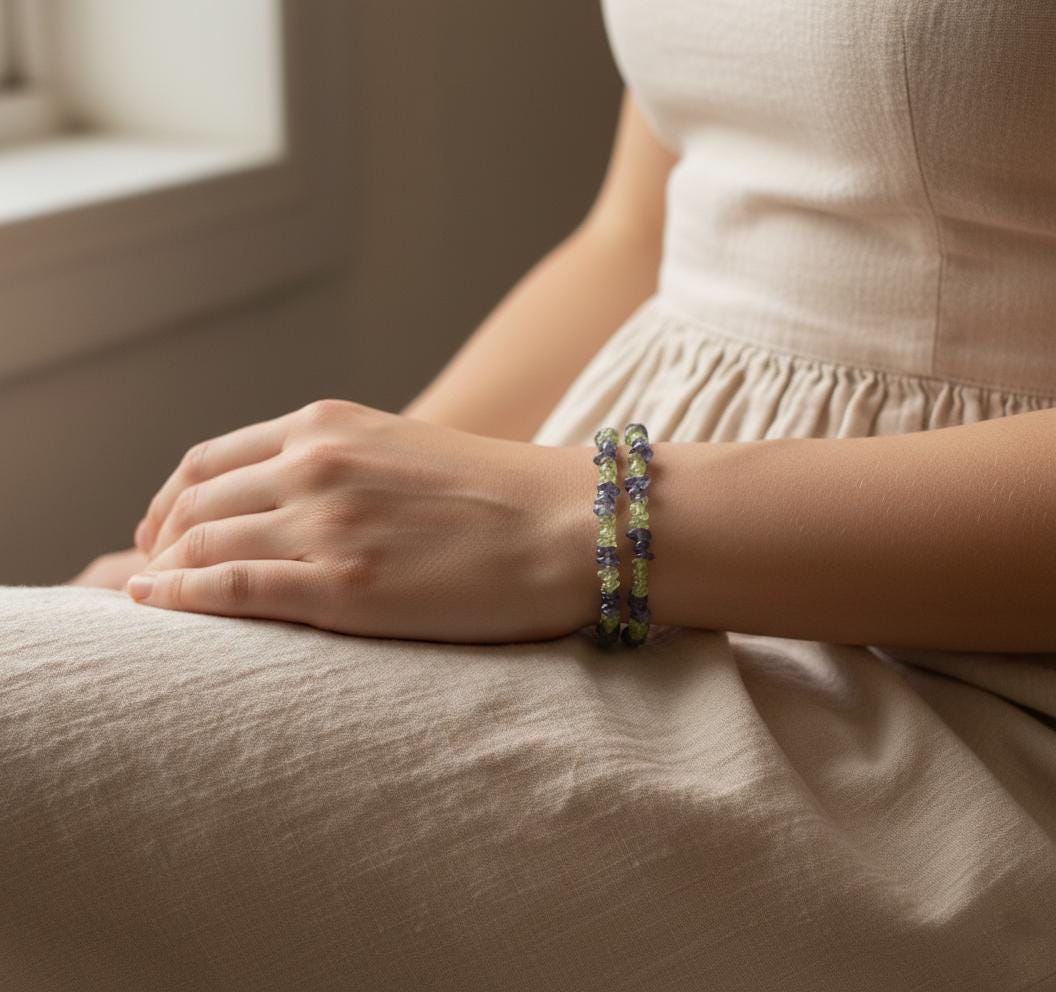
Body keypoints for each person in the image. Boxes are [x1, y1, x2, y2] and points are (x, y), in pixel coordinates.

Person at [6, 2, 1056, 989]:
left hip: (965, 661)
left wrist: (589, 520)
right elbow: (638, 238)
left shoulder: (602, 525)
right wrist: (329, 516)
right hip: (604, 545)